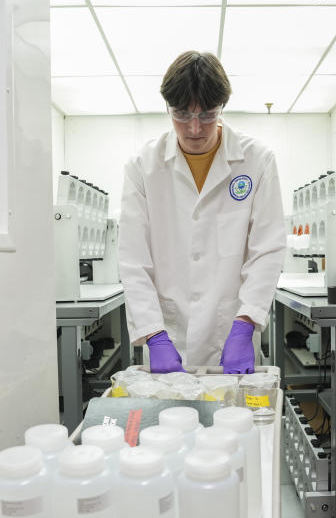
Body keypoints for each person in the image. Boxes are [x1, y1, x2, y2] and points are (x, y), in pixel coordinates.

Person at [118, 51, 286, 374]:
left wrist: (246, 322)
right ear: (167, 107)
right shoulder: (142, 167)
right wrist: (154, 335)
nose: (194, 128)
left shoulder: (258, 161)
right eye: (181, 114)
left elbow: (267, 250)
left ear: (222, 107)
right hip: (167, 337)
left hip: (231, 338)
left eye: (207, 115)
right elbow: (132, 261)